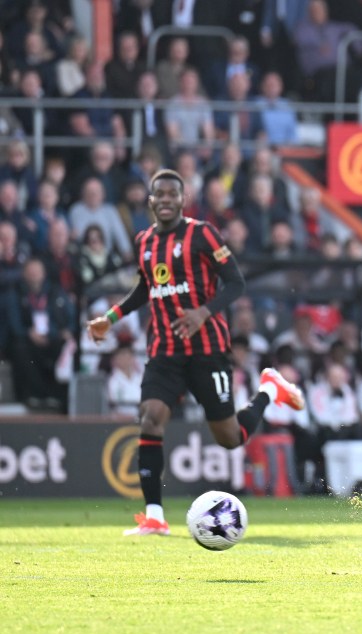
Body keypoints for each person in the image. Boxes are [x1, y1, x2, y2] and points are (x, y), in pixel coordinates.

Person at [86, 169, 305, 537]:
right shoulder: (143, 242)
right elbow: (145, 288)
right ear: (151, 201)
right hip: (165, 351)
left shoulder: (202, 234)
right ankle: (154, 515)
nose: (167, 199)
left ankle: (269, 389)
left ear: (183, 199)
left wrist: (203, 312)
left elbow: (236, 282)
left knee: (230, 438)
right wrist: (111, 317)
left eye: (174, 193)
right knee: (150, 418)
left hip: (208, 349)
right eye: (161, 194)